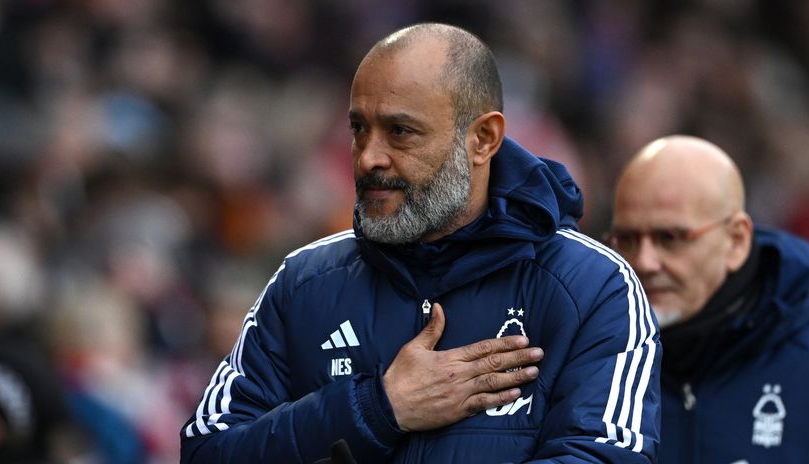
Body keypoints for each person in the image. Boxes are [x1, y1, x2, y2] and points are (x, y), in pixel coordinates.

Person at [181, 23, 660, 463]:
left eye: (400, 131)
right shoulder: (304, 284)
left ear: (483, 139)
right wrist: (376, 408)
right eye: (358, 129)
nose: (369, 157)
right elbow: (206, 453)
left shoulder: (593, 288)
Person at [608, 135, 809, 463]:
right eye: (627, 239)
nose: (644, 263)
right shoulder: (590, 360)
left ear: (736, 241)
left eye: (670, 238)